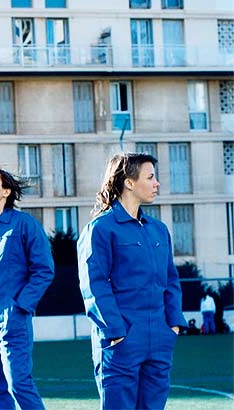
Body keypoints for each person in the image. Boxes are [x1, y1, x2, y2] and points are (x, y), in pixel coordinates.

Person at [78, 152, 187, 409]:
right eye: (150, 177)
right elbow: (94, 285)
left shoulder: (158, 229)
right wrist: (116, 332)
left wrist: (173, 324)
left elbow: (171, 281)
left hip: (159, 338)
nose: (157, 183)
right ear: (129, 182)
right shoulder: (100, 229)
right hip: (121, 339)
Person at [0, 167, 54, 409]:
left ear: (6, 191)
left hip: (12, 317)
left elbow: (44, 270)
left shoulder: (24, 224)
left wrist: (20, 306)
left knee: (18, 383)